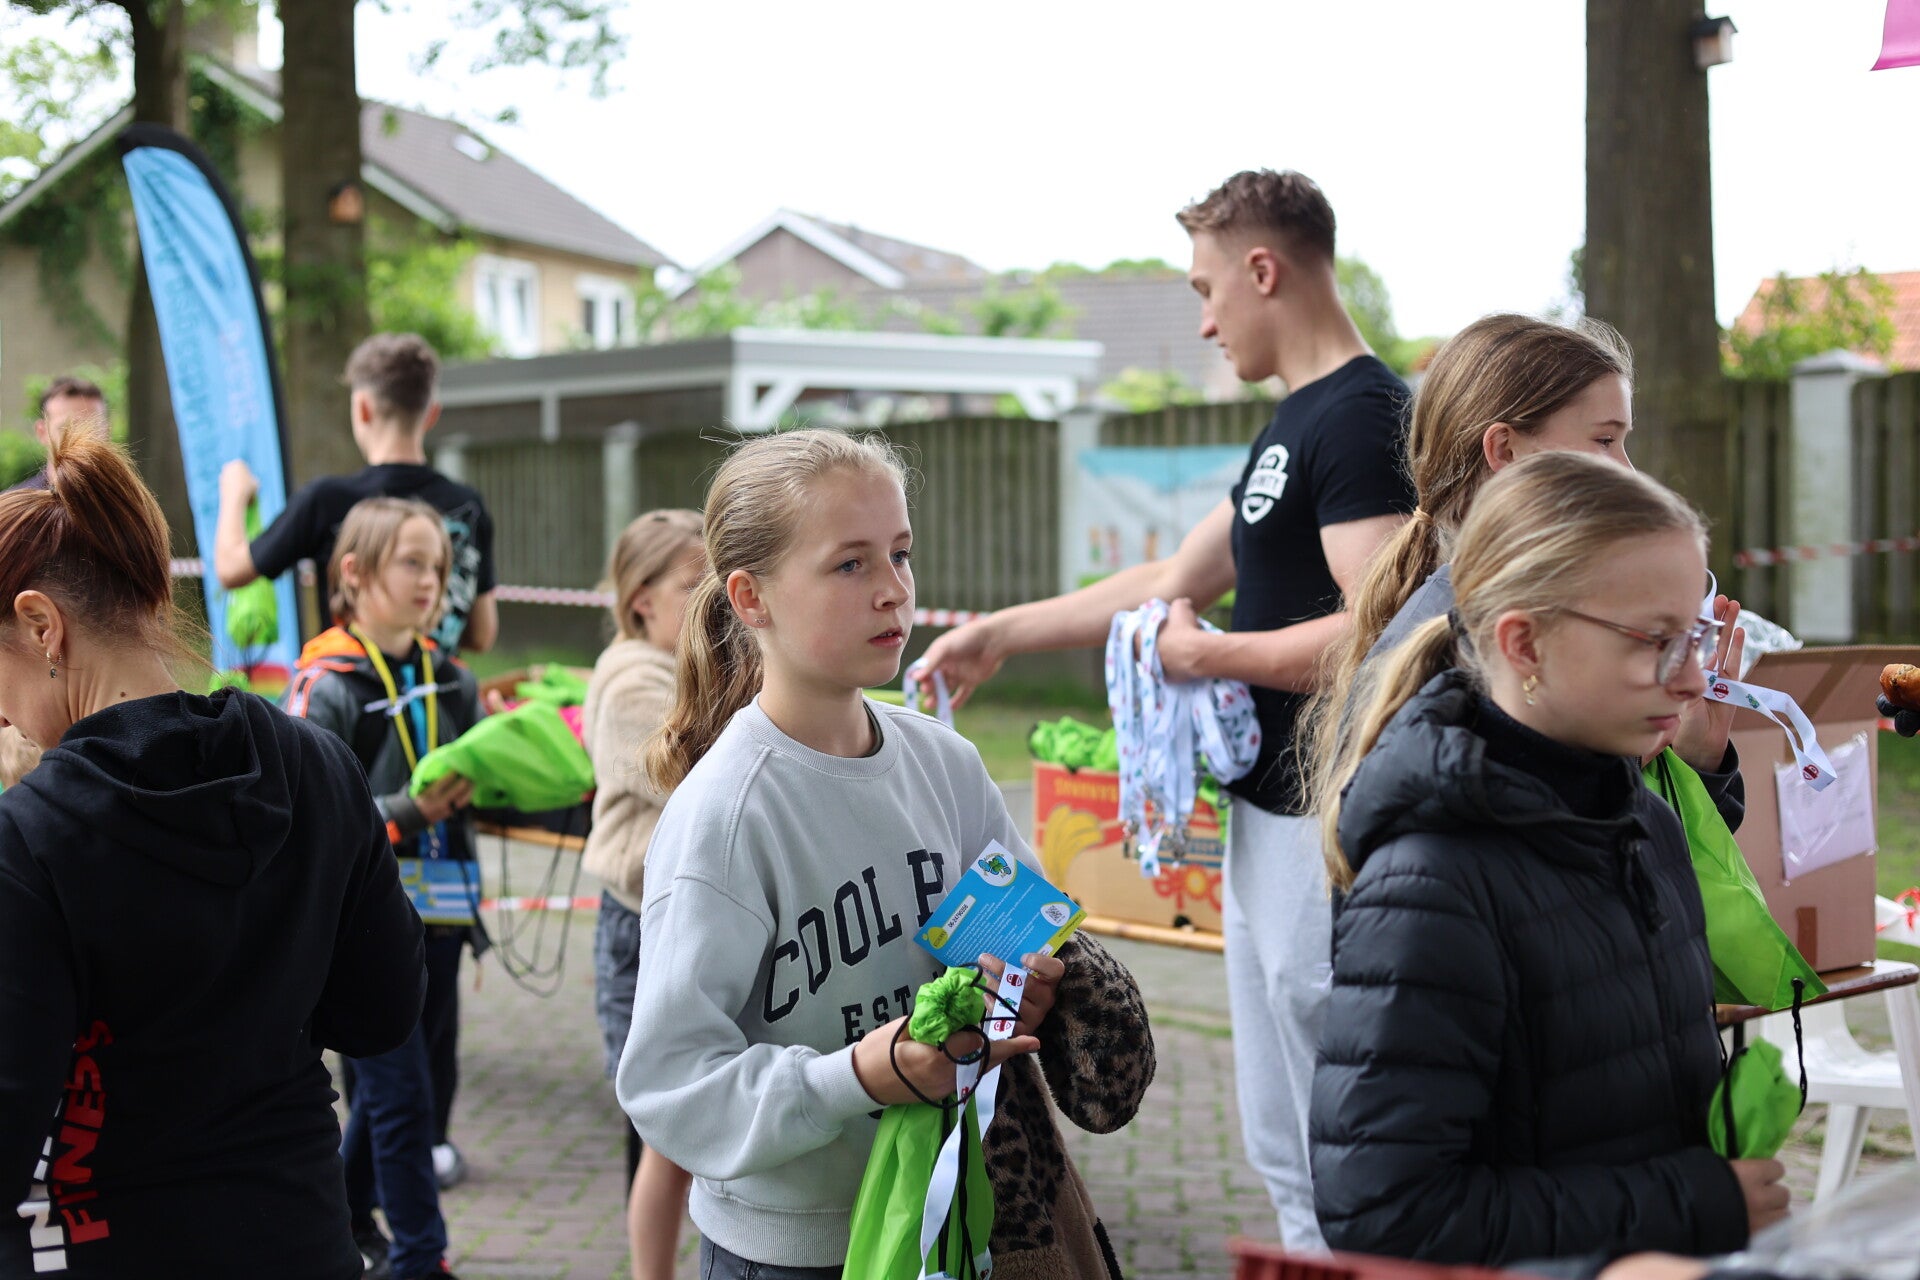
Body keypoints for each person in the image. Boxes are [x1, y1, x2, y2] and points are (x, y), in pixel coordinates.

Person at [912, 168, 1411, 1248]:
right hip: (1271, 814)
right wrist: (999, 632)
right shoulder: (1297, 420)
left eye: (1206, 287)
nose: (1204, 321)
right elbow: (1170, 578)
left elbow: (1382, 629)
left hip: (1332, 819)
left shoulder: (1365, 417)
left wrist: (1209, 654)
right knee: (1281, 1133)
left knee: (1335, 1119)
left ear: (1263, 270)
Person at [617, 429, 1151, 1277]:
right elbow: (670, 1085)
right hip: (796, 1253)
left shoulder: (947, 765)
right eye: (850, 564)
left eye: (900, 554)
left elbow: (1022, 943)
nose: (893, 590)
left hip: (956, 1222)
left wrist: (1024, 990)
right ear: (751, 598)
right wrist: (860, 1075)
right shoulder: (725, 815)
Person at [1307, 452, 1786, 1269]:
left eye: (1696, 638)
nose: (1693, 679)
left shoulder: (1644, 822)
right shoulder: (1432, 885)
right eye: (1657, 642)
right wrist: (1697, 1200)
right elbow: (1386, 1211)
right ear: (1525, 644)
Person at [0, 428, 425, 1276]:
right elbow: (380, 1011)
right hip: (302, 1237)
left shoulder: (32, 837)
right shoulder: (314, 764)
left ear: (42, 625)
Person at [1298, 313, 1748, 849]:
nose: (1629, 471)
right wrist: (1615, 768)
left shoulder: (1526, 618)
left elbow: (1633, 879)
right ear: (1506, 452)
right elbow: (1510, 865)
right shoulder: (1453, 652)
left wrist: (1696, 762)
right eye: (1605, 440)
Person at [285, 496, 482, 1280]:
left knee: (408, 1086)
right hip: (364, 924)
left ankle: (342, 1216)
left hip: (444, 909)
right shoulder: (326, 680)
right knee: (401, 1095)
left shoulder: (452, 678)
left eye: (439, 566)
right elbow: (308, 811)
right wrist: (407, 811)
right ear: (355, 573)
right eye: (411, 563)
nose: (431, 581)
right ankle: (420, 1257)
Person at [580, 508, 703, 1280]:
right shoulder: (633, 679)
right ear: (641, 600)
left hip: (689, 920)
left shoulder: (691, 668)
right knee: (659, 1129)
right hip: (643, 927)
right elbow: (687, 775)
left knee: (692, 1125)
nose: (714, 602)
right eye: (695, 586)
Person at [215, 332, 499, 658]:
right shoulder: (468, 507)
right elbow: (481, 634)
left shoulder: (327, 501)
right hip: (437, 686)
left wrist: (234, 493)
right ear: (432, 414)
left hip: (350, 686)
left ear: (363, 408)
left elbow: (231, 570)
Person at [4, 376, 109, 493]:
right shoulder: (15, 503)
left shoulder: (123, 499)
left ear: (106, 430)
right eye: (67, 428)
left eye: (93, 428)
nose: (83, 439)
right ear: (42, 432)